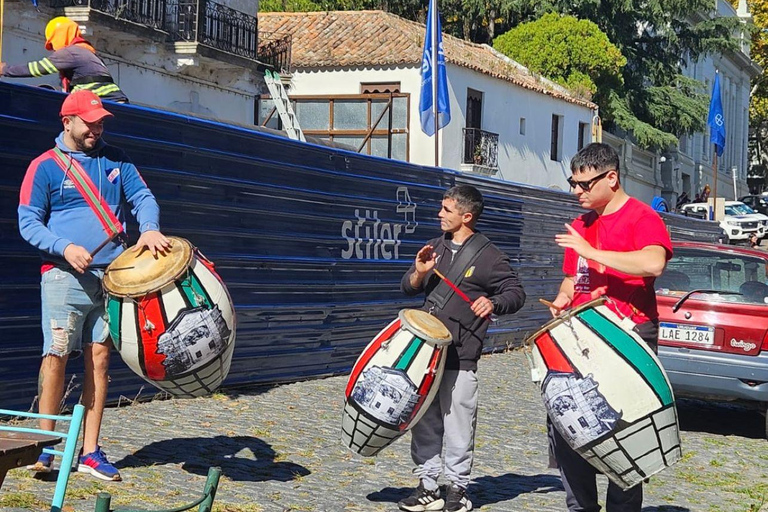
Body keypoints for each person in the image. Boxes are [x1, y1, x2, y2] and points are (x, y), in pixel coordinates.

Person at [18, 90, 170, 481]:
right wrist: (64, 247)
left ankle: (90, 451)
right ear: (66, 121)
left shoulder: (117, 160)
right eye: (89, 122)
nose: (96, 129)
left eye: (100, 122)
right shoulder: (45, 167)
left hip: (112, 278)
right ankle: (44, 446)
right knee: (56, 356)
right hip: (63, 277)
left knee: (99, 361)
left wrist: (149, 229)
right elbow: (28, 221)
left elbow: (143, 198)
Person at [549, 143, 672, 512]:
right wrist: (562, 298)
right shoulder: (581, 226)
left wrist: (592, 251)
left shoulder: (643, 217)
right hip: (583, 337)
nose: (577, 192)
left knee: (625, 433)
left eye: (585, 185)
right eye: (573, 183)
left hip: (630, 335)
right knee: (569, 427)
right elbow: (573, 279)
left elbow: (653, 264)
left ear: (612, 178)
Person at [398, 185, 526, 512]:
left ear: (466, 216)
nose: (439, 214)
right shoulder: (435, 248)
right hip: (427, 354)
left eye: (446, 209)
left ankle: (457, 489)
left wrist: (493, 302)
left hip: (461, 355)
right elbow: (407, 286)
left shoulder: (489, 255)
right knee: (423, 421)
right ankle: (428, 486)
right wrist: (420, 274)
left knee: (458, 424)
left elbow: (515, 292)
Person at [0, 16, 128, 103]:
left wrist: (5, 69)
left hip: (106, 103)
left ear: (59, 35)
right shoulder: (86, 52)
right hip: (114, 103)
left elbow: (37, 69)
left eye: (53, 43)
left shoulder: (71, 53)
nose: (54, 49)